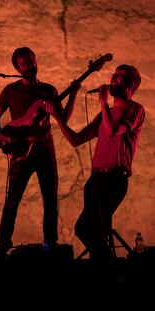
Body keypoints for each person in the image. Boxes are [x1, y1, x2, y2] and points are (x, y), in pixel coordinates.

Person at [44, 64, 145, 262]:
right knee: (88, 229)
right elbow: (76, 140)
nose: (113, 79)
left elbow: (114, 131)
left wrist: (102, 102)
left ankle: (106, 266)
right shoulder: (104, 114)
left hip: (115, 178)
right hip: (96, 178)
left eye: (119, 77)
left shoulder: (135, 109)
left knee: (94, 229)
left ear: (131, 84)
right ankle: (105, 264)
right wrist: (57, 117)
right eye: (113, 75)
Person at [0, 47, 78, 257]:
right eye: (24, 63)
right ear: (17, 68)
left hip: (45, 148)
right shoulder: (10, 90)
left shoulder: (49, 90)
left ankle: (50, 244)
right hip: (21, 151)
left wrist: (73, 93)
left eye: (31, 61)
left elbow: (62, 118)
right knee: (13, 198)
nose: (30, 66)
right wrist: (4, 137)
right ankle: (3, 245)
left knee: (50, 197)